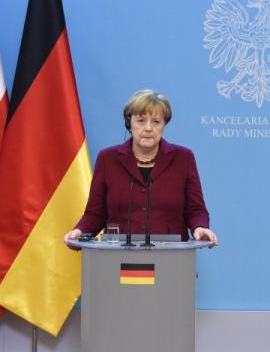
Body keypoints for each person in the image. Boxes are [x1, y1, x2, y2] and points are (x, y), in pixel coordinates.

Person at [64, 89, 217, 244]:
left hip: (171, 255)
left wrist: (200, 227)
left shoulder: (183, 158)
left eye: (156, 121)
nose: (148, 128)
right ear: (129, 123)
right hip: (117, 255)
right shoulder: (107, 159)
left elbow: (195, 209)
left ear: (163, 125)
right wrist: (80, 231)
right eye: (141, 121)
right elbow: (96, 213)